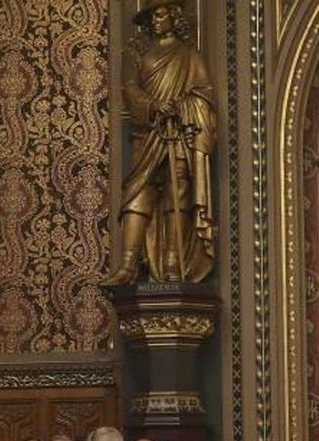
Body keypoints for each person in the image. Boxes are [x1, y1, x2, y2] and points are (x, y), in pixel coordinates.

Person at [101, 0, 216, 285]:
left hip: (177, 136)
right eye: (152, 15)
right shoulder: (138, 53)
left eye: (160, 14)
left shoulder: (190, 56)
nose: (155, 20)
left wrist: (181, 107)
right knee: (137, 192)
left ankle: (173, 265)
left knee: (177, 195)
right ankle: (128, 264)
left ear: (174, 17)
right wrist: (153, 105)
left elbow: (204, 96)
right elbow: (130, 89)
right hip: (148, 134)